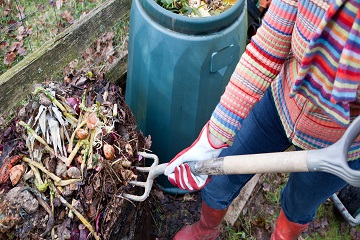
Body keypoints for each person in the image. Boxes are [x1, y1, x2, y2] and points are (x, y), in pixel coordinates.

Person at [164, 0, 360, 239]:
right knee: (220, 179)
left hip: (341, 143)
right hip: (278, 105)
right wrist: (212, 139)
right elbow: (264, 52)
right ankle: (205, 230)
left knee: (298, 207)